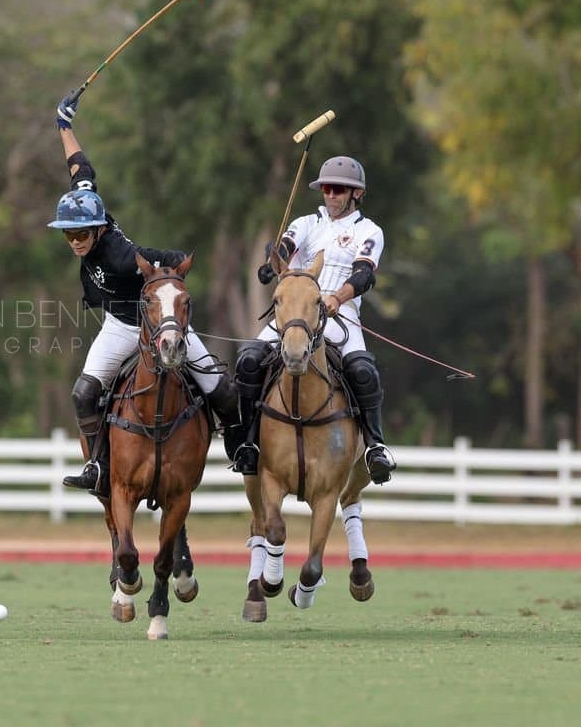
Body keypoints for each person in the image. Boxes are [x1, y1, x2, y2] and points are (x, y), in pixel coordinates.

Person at [52, 89, 239, 497]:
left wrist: (171, 275)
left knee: (221, 389)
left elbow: (162, 259)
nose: (75, 242)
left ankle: (243, 449)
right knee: (84, 392)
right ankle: (97, 466)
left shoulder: (121, 257)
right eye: (68, 235)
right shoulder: (89, 203)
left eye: (81, 234)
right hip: (120, 326)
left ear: (100, 228)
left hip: (162, 328)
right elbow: (80, 167)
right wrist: (65, 127)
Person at [226, 155, 397, 485]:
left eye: (339, 189)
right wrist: (271, 263)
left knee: (363, 370)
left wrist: (337, 297)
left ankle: (375, 446)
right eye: (327, 189)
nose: (331, 195)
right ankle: (247, 442)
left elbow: (364, 275)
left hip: (339, 313)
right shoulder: (307, 223)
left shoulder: (369, 230)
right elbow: (285, 246)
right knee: (248, 359)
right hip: (295, 312)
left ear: (356, 194)